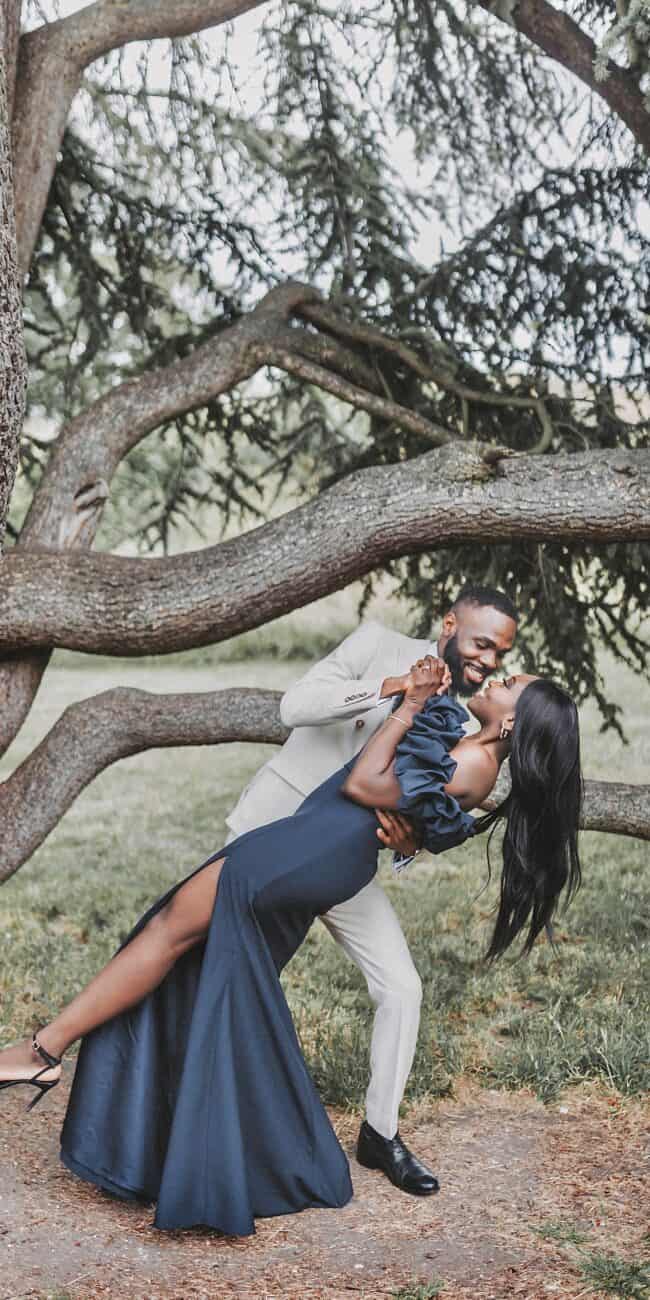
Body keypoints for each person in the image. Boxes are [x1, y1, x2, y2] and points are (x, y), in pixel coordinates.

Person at [0, 655, 582, 1240]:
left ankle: (43, 1052)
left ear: (513, 726)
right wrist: (412, 711)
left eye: (512, 686)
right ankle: (95, 1087)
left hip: (318, 851)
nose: (500, 677)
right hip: (310, 838)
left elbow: (362, 784)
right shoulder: (462, 738)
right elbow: (398, 802)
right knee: (178, 938)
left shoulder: (476, 763)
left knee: (173, 932)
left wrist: (408, 707)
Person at [223, 585, 518, 1195]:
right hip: (268, 834)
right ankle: (202, 1108)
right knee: (231, 970)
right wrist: (393, 690)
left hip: (339, 864)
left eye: (500, 653)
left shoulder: (463, 725)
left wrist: (408, 844)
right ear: (448, 623)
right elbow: (293, 706)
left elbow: (419, 809)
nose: (487, 660)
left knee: (403, 986)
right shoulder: (376, 644)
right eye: (482, 642)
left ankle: (380, 1133)